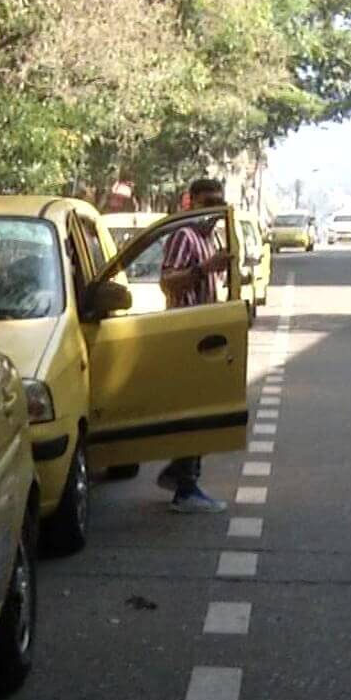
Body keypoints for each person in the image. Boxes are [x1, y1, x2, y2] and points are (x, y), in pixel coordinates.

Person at [154, 177, 232, 514]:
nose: (213, 209)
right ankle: (185, 488)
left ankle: (180, 471)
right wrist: (204, 269)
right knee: (194, 413)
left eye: (218, 201)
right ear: (192, 203)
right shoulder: (184, 236)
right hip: (186, 335)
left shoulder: (210, 237)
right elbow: (167, 282)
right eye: (207, 201)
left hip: (205, 334)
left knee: (204, 410)